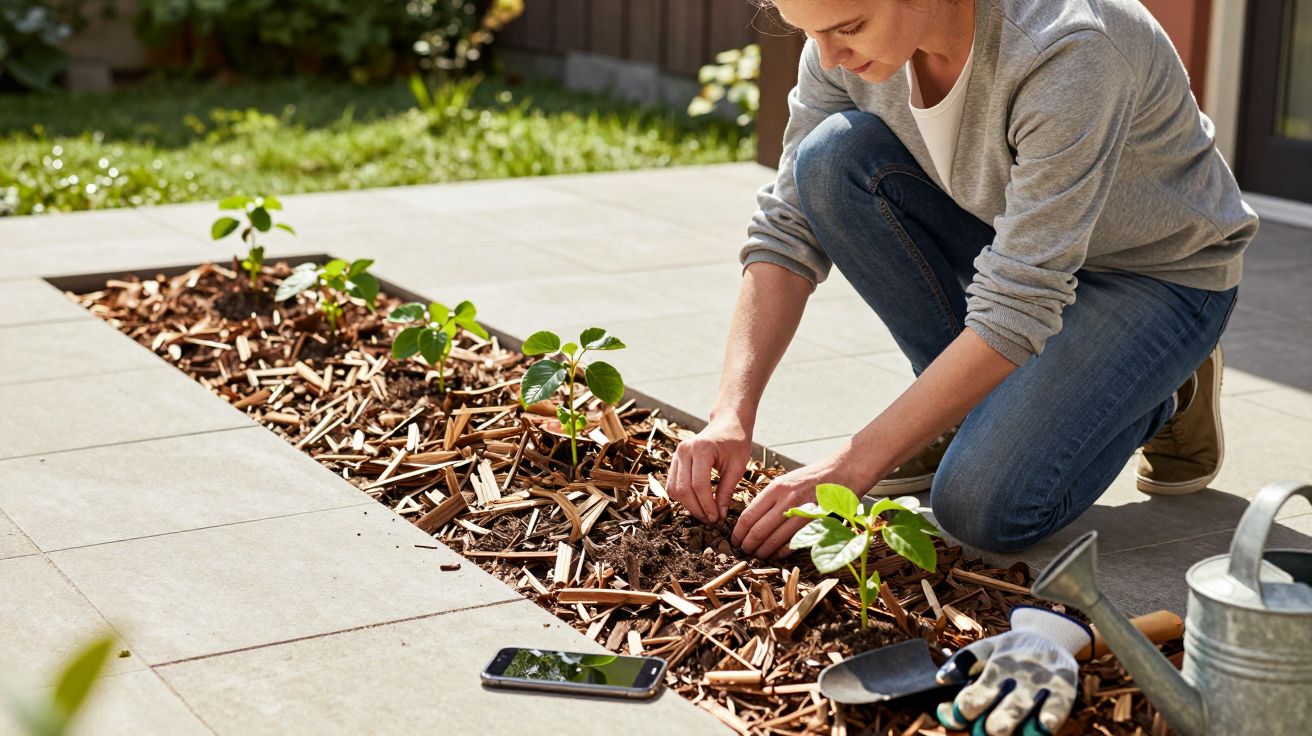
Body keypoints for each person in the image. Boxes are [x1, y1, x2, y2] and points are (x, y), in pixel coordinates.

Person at [665, 0, 1254, 560]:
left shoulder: (1067, 47)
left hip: (1155, 273)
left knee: (982, 509)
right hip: (1015, 246)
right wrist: (730, 414)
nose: (828, 58)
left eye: (848, 27)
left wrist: (851, 465)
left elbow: (1016, 306)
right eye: (810, 33)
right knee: (829, 159)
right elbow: (786, 225)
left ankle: (1171, 385)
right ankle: (970, 411)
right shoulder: (842, 47)